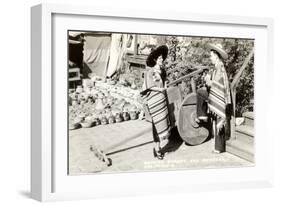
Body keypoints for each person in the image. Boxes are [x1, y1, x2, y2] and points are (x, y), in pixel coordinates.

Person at [196, 43, 231, 153]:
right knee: (217, 119)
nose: (210, 58)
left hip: (219, 98)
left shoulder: (220, 68)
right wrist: (208, 81)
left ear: (216, 56)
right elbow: (216, 84)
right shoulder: (217, 67)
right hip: (217, 96)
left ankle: (202, 115)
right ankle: (219, 148)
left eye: (211, 56)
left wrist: (208, 81)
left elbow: (218, 85)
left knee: (200, 92)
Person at [141, 45, 171, 160]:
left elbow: (164, 82)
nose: (161, 60)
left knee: (162, 122)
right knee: (156, 124)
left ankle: (159, 146)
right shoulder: (151, 72)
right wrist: (159, 89)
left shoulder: (162, 71)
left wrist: (165, 86)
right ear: (155, 60)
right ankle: (157, 148)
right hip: (154, 100)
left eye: (162, 58)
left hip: (162, 99)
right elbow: (148, 86)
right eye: (159, 59)